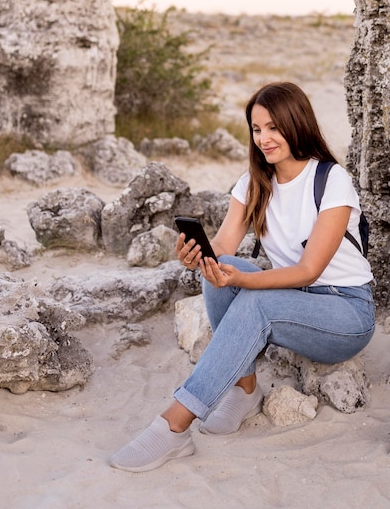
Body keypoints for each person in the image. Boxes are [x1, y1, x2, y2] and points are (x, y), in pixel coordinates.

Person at [109, 81, 375, 472]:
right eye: (256, 129)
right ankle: (245, 389)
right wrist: (197, 256)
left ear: (296, 124)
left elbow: (309, 270)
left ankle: (174, 426)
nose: (264, 139)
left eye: (274, 127)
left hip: (346, 314)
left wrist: (243, 281)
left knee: (253, 296)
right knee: (218, 272)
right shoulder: (254, 183)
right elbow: (224, 246)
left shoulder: (331, 180)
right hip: (296, 299)